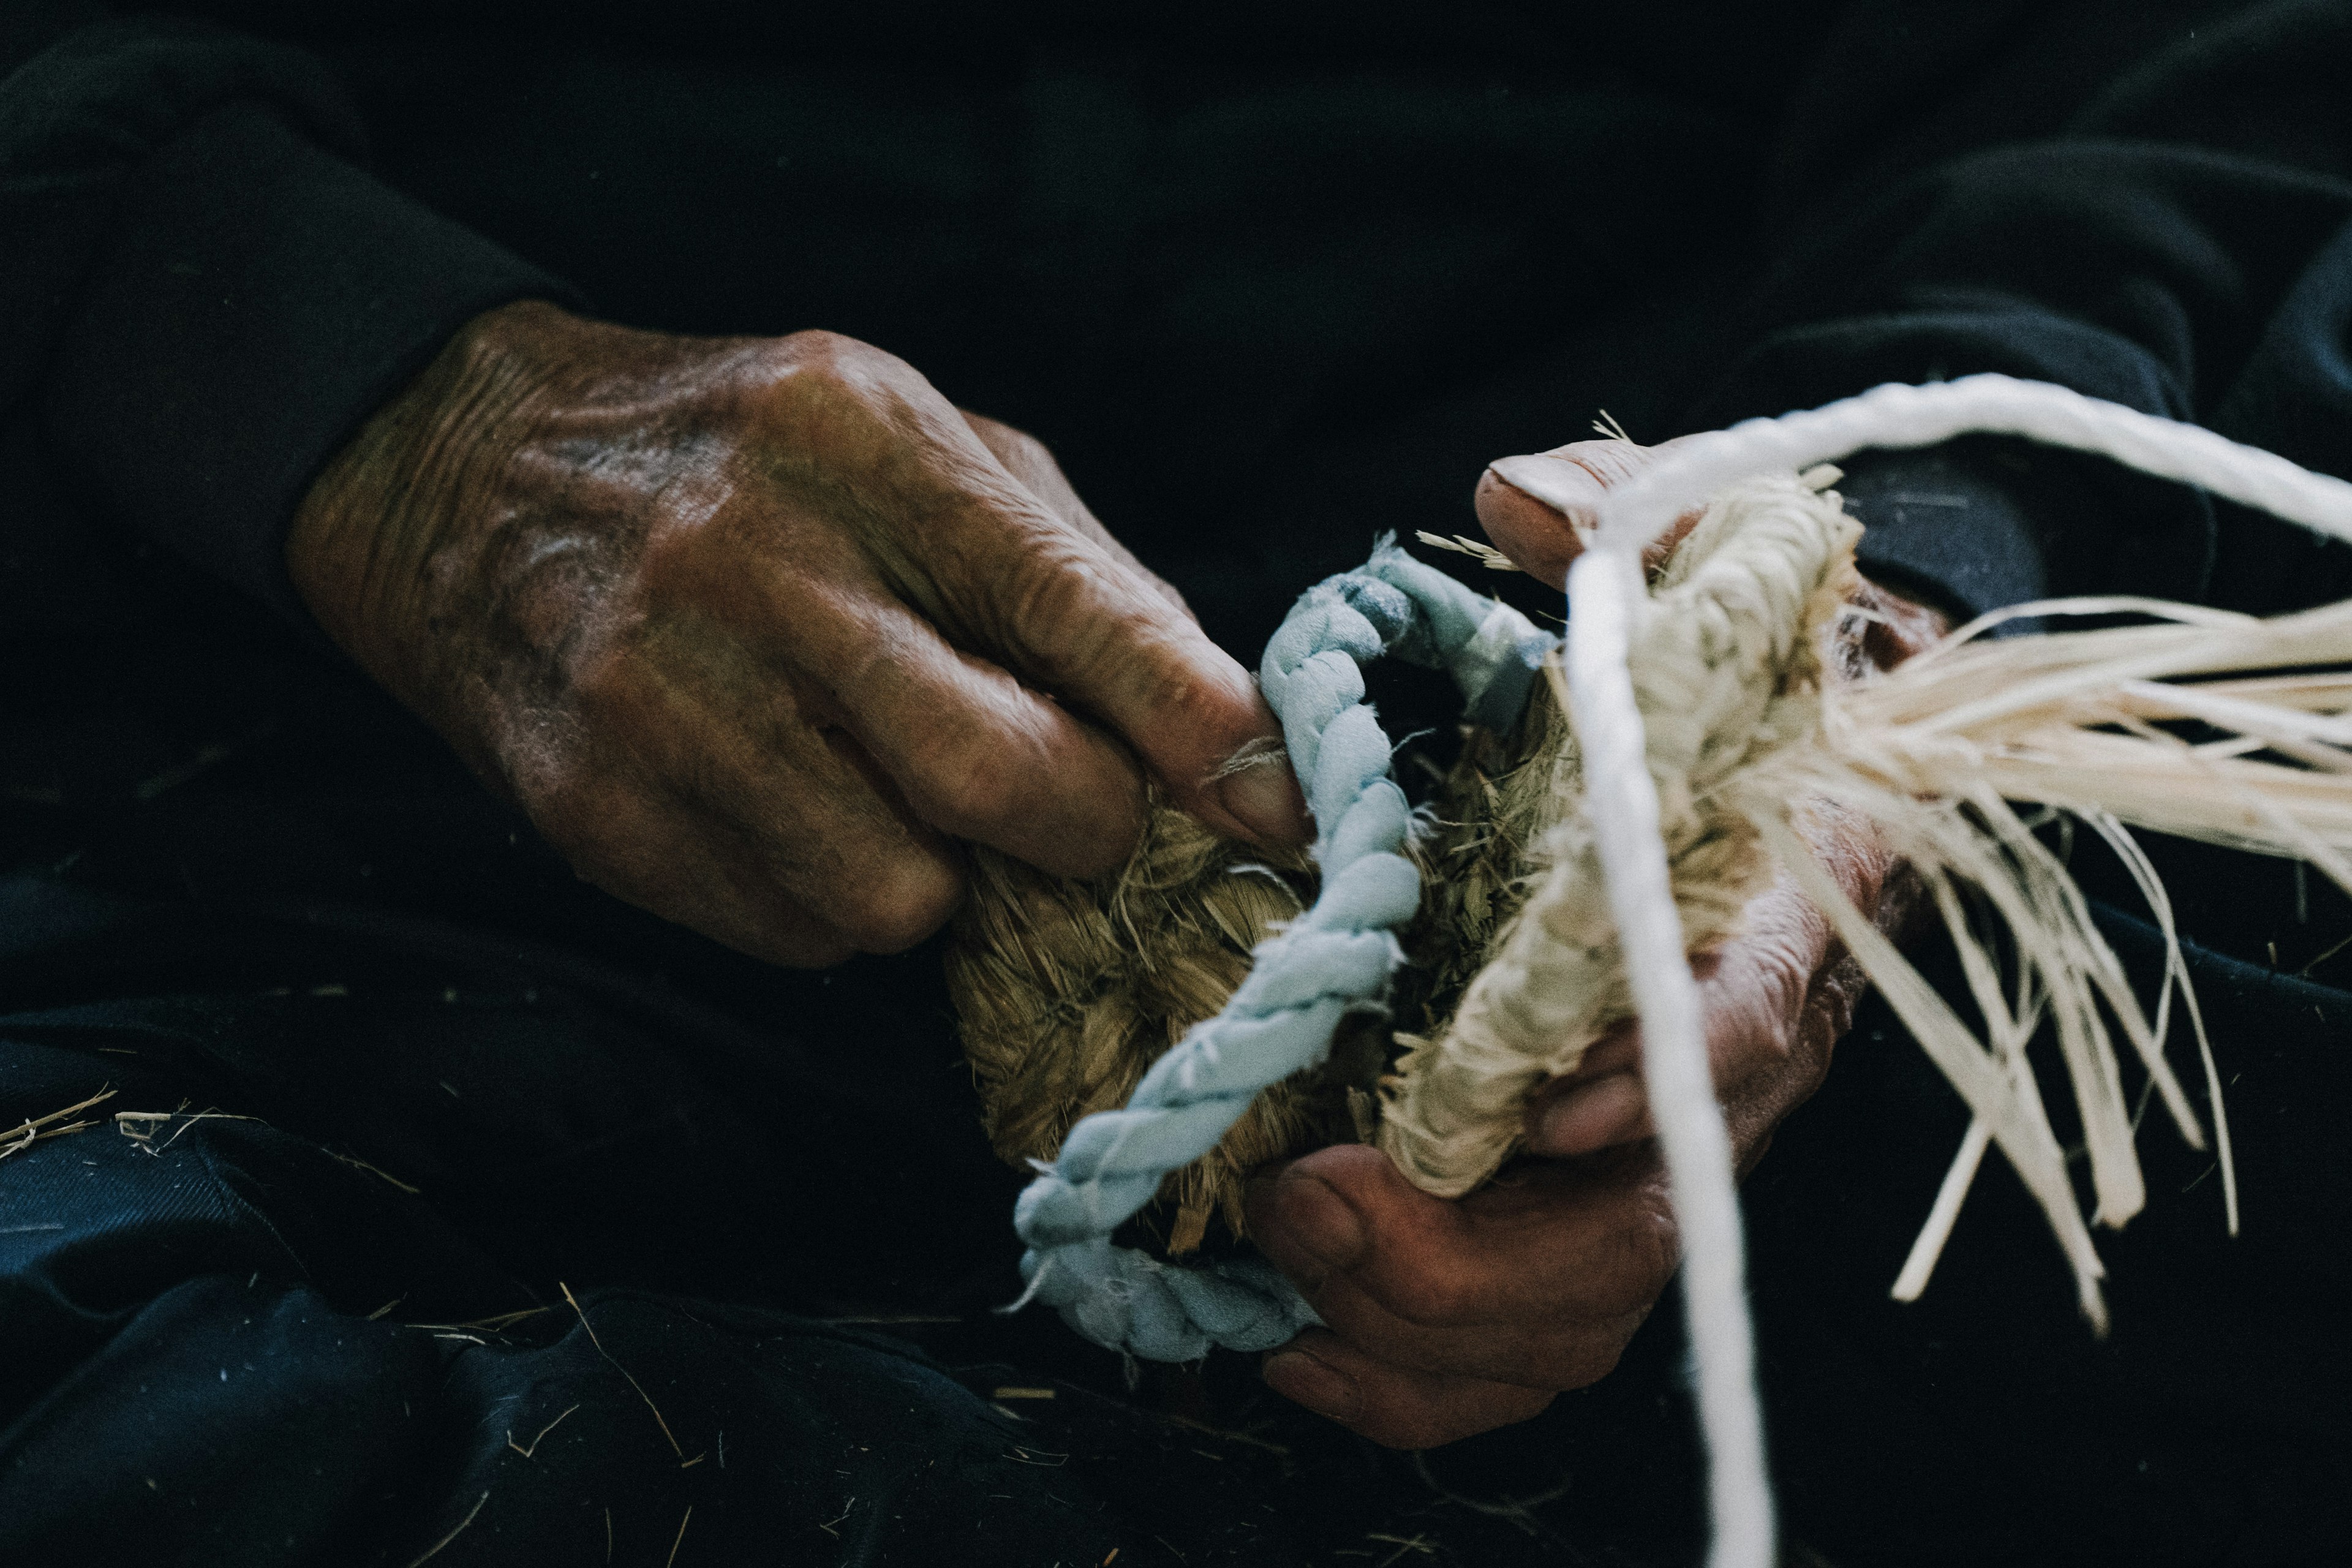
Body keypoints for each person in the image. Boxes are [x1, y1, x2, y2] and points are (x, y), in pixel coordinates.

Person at [2, 2, 2347, 1563]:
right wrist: (381, 418)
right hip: (326, 750)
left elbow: (2164, 63)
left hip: (1628, 621)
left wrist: (1858, 641)